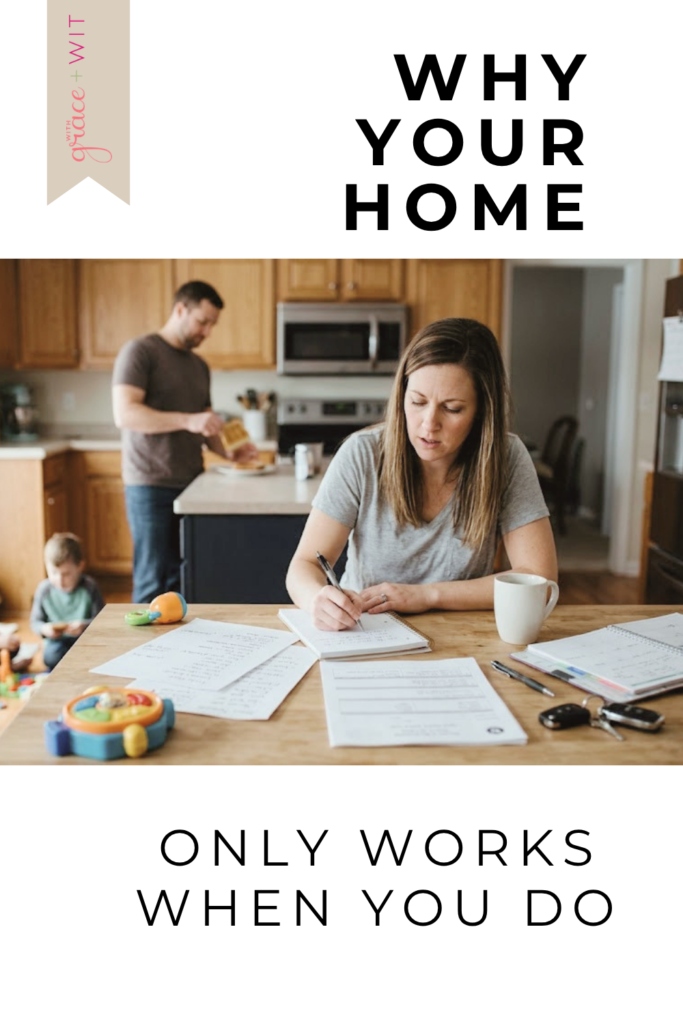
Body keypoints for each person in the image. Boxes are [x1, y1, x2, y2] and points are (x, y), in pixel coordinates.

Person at [286, 317, 557, 631]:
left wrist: (427, 595)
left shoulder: (506, 458)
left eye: (452, 408)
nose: (429, 424)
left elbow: (540, 580)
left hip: (463, 633)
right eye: (417, 402)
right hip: (365, 630)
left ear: (483, 411)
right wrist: (317, 599)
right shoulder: (362, 454)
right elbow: (304, 566)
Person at [112, 280, 256, 602]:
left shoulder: (199, 366)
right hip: (150, 486)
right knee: (152, 580)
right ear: (180, 310)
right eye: (202, 322)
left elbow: (206, 423)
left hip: (192, 485)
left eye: (212, 325)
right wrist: (188, 420)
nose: (207, 332)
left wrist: (230, 452)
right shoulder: (140, 352)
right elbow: (125, 414)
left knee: (187, 578)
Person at [30, 533, 104, 670]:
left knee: (98, 654)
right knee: (51, 656)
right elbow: (35, 622)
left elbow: (101, 620)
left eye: (66, 574)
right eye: (53, 573)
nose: (59, 580)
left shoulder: (89, 587)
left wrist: (84, 626)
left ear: (80, 566)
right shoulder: (44, 590)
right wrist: (45, 629)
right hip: (57, 641)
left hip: (84, 638)